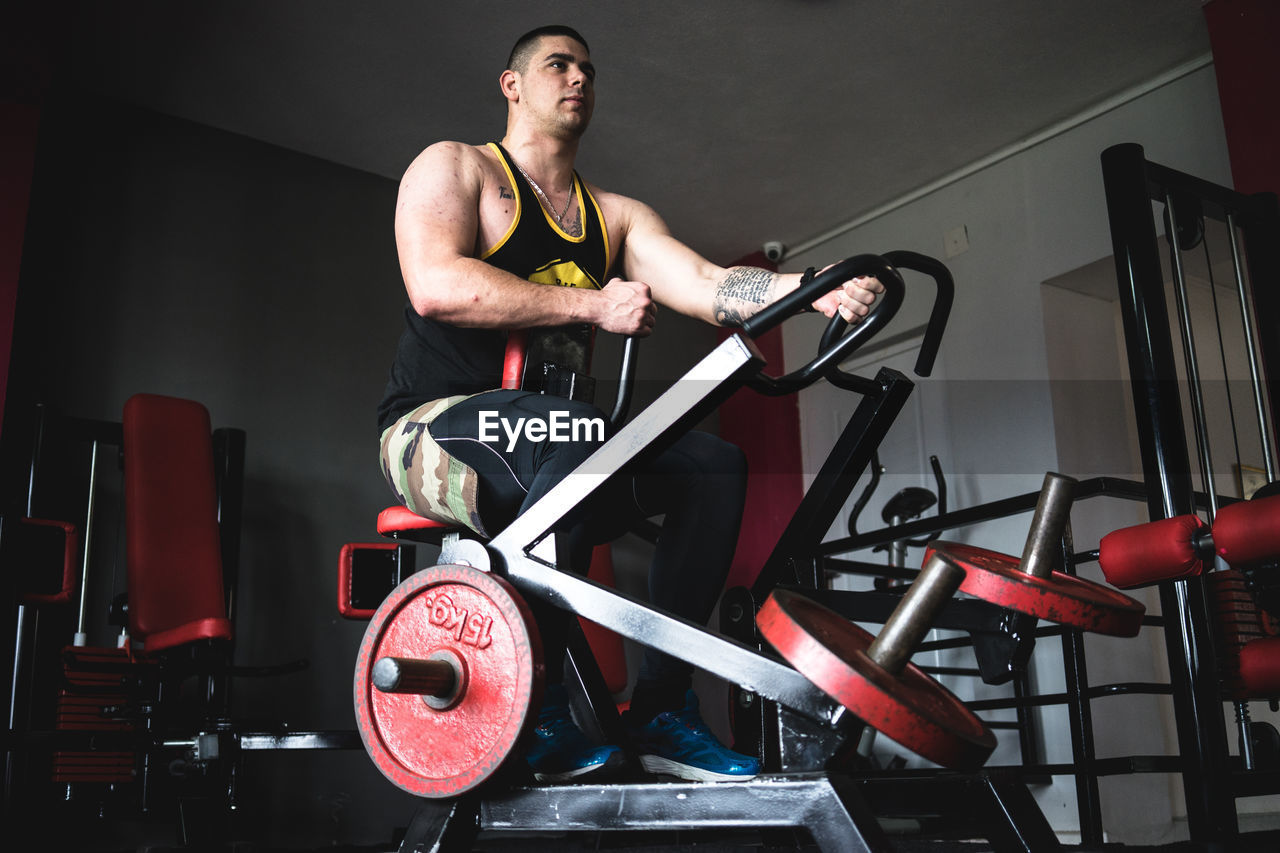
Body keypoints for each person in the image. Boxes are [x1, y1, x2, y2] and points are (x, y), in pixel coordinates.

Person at [377, 25, 883, 784]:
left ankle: (664, 708)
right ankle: (536, 710)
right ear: (512, 85)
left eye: (587, 68)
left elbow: (712, 286)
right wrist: (591, 307)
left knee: (712, 465)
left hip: (558, 441)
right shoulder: (457, 169)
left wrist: (810, 288)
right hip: (431, 427)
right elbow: (436, 284)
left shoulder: (612, 216)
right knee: (577, 444)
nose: (577, 77)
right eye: (558, 64)